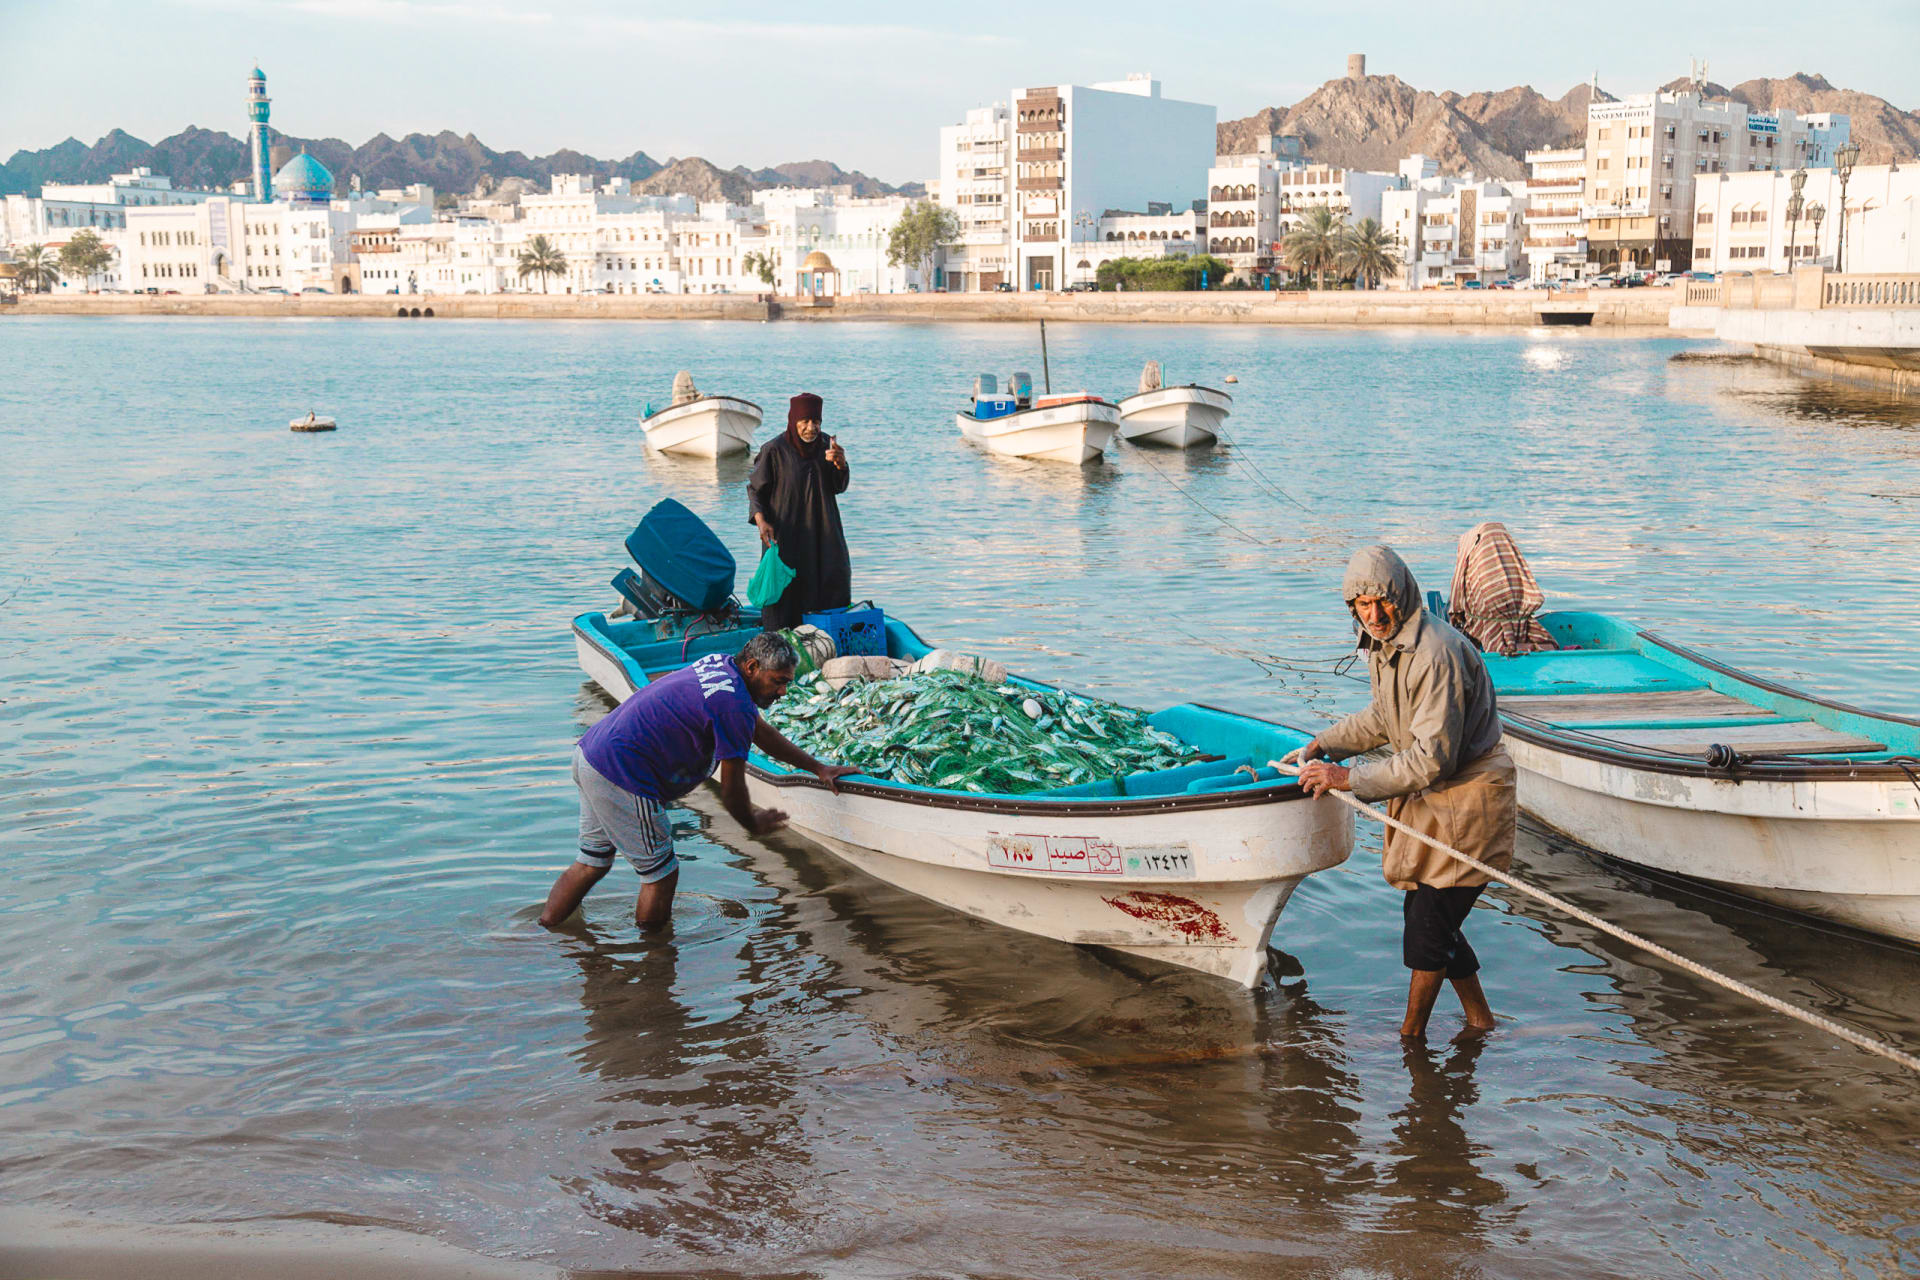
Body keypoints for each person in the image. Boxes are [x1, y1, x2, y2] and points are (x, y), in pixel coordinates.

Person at [1291, 545, 1516, 1040]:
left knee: (1429, 929)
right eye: (1362, 606)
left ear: (1403, 595)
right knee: (1432, 920)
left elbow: (1430, 760)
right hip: (1436, 800)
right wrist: (1322, 743)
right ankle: (1481, 1022)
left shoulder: (1436, 654)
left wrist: (1344, 778)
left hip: (1470, 799)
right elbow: (1381, 718)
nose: (1373, 616)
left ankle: (1409, 1039)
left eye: (1381, 604)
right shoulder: (1382, 643)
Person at [539, 632, 856, 930]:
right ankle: (655, 958)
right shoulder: (733, 705)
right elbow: (732, 790)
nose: (783, 691)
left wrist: (818, 768)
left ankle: (547, 929)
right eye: (778, 681)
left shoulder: (721, 665)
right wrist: (753, 822)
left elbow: (761, 732)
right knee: (661, 875)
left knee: (592, 862)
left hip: (591, 756)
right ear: (752, 667)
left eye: (787, 682)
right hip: (623, 774)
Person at [748, 392, 850, 631]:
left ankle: (824, 641)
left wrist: (841, 464)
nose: (810, 428)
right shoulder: (773, 450)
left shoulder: (828, 446)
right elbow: (755, 490)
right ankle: (781, 649)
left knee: (830, 583)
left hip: (823, 534)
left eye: (815, 422)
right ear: (793, 421)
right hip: (785, 536)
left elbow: (839, 486)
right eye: (804, 422)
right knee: (784, 597)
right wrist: (761, 522)